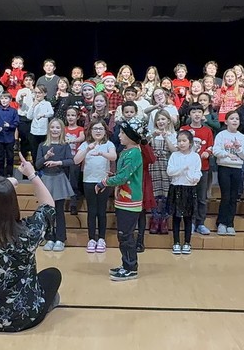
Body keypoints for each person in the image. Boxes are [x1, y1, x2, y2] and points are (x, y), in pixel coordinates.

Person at [0, 159, 61, 332]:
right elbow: (48, 206)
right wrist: (31, 175)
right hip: (22, 318)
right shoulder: (27, 234)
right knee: (53, 275)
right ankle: (45, 306)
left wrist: (2, 184)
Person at [97, 120, 145, 281]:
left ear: (131, 136)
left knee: (126, 235)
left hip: (131, 202)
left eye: (122, 133)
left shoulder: (135, 153)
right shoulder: (126, 152)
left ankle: (131, 267)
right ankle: (126, 264)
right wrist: (114, 177)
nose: (119, 135)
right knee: (123, 234)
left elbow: (124, 176)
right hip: (123, 200)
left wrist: (104, 182)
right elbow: (122, 175)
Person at [73, 120, 116, 257]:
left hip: (103, 182)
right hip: (88, 181)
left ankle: (101, 239)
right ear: (90, 131)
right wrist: (87, 149)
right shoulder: (86, 144)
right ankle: (92, 239)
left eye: (100, 129)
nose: (98, 131)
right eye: (95, 129)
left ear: (105, 131)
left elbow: (114, 156)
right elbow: (76, 160)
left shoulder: (109, 144)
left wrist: (102, 154)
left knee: (101, 210)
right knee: (91, 211)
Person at [34, 118, 74, 252]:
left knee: (59, 211)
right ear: (49, 129)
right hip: (46, 179)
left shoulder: (64, 145)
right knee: (47, 211)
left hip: (59, 179)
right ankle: (49, 238)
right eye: (52, 127)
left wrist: (58, 163)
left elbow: (70, 161)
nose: (55, 130)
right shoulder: (42, 145)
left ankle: (60, 239)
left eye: (57, 128)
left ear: (61, 130)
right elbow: (37, 164)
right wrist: (46, 156)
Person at [212, 112, 244, 235]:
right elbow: (216, 150)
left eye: (237, 119)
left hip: (237, 168)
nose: (235, 121)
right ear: (226, 121)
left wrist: (238, 148)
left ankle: (230, 223)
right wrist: (226, 154)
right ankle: (221, 223)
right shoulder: (221, 135)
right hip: (224, 167)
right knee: (226, 196)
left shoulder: (242, 137)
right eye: (232, 118)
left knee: (234, 197)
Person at [180, 103, 214, 235]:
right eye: (193, 112)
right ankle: (190, 223)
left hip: (203, 168)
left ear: (202, 114)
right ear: (189, 115)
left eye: (199, 112)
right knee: (189, 197)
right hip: (187, 170)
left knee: (201, 197)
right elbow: (180, 145)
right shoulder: (184, 129)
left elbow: (210, 146)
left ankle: (200, 223)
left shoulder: (207, 131)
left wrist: (208, 153)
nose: (197, 114)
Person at [167, 130, 201, 254]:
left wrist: (194, 177)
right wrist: (182, 168)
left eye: (184, 141)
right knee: (176, 217)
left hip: (189, 188)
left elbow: (197, 173)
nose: (181, 143)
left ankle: (187, 242)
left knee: (188, 217)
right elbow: (170, 172)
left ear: (190, 142)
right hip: (176, 187)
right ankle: (176, 242)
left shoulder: (195, 156)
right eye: (179, 141)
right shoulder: (174, 156)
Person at [148, 111, 177, 234]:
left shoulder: (173, 135)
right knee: (154, 193)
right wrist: (152, 136)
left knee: (165, 194)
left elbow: (174, 150)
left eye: (163, 119)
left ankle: (164, 219)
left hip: (166, 166)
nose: (161, 122)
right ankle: (155, 218)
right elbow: (143, 146)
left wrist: (166, 138)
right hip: (153, 166)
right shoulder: (151, 134)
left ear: (168, 121)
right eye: (158, 120)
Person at [0, 91, 19, 177]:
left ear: (10, 100)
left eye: (6, 98)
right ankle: (1, 174)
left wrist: (10, 126)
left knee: (10, 157)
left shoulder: (13, 111)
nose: (4, 100)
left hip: (9, 138)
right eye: (2, 98)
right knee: (0, 157)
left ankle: (9, 174)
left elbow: (16, 122)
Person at [26, 85, 54, 152]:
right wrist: (33, 106)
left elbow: (51, 113)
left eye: (39, 93)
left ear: (45, 94)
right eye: (36, 93)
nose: (37, 94)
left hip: (44, 132)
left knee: (44, 151)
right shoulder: (33, 104)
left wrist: (43, 115)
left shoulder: (47, 103)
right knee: (34, 151)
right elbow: (29, 117)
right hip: (34, 132)